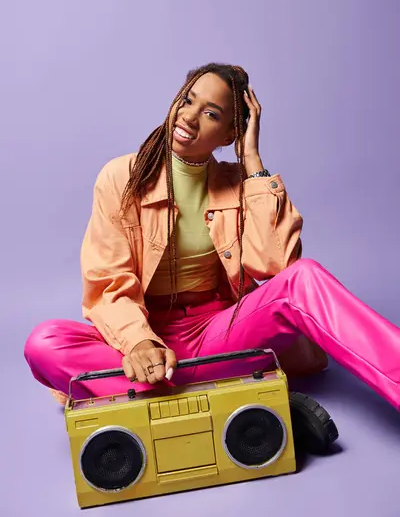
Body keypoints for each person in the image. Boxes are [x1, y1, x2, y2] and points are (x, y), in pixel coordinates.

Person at [24, 63, 400, 412]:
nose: (188, 116)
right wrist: (139, 343)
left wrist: (251, 160)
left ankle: (159, 396)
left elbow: (276, 265)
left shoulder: (239, 182)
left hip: (220, 333)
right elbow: (107, 282)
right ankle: (217, 388)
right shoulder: (121, 177)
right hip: (146, 334)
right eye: (188, 100)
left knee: (306, 277)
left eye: (211, 113)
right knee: (46, 343)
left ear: (230, 133)